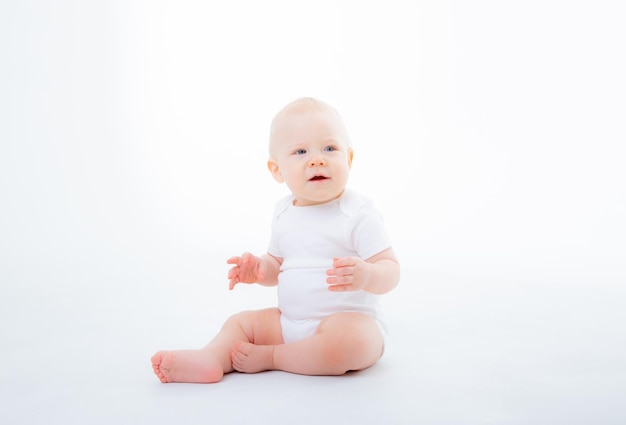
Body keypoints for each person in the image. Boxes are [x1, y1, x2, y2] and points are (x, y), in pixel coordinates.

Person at [151, 97, 400, 383]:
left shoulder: (356, 212)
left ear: (349, 158)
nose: (317, 159)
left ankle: (272, 357)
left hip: (348, 322)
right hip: (287, 323)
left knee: (349, 344)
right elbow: (277, 266)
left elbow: (391, 269)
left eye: (330, 148)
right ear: (277, 170)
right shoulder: (284, 213)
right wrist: (260, 269)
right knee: (241, 323)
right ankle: (210, 358)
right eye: (300, 151)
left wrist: (368, 274)